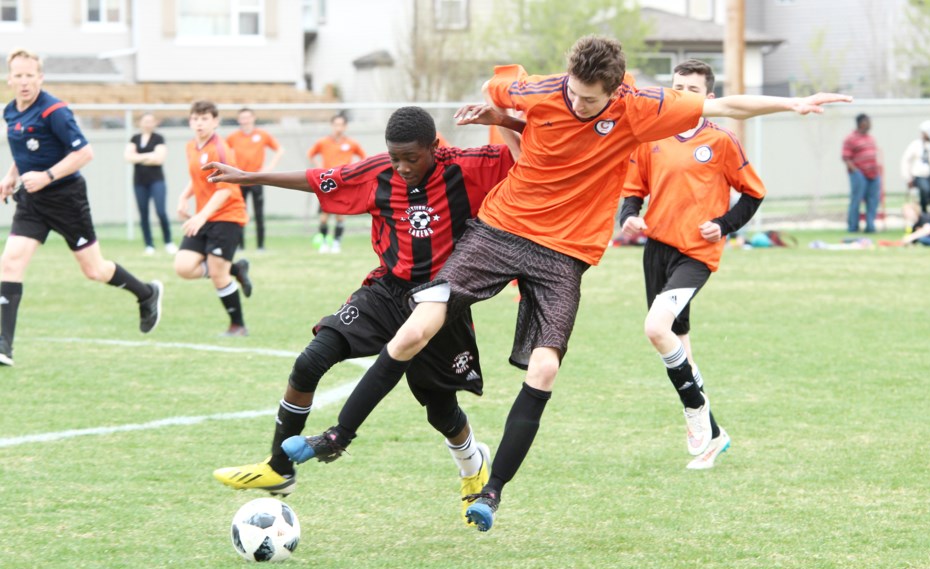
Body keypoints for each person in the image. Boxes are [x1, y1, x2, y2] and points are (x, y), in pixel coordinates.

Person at [285, 35, 851, 532]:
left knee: (546, 368)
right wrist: (498, 112)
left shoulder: (642, 107)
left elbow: (724, 102)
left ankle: (492, 491)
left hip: (564, 254)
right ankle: (338, 436)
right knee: (418, 323)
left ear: (615, 89)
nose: (577, 104)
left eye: (589, 99)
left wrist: (794, 102)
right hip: (501, 229)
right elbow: (501, 87)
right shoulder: (542, 91)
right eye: (574, 93)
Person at [206, 106, 521, 525]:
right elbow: (318, 181)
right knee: (311, 360)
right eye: (395, 158)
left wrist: (507, 114)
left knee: (440, 409)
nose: (403, 167)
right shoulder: (378, 174)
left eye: (412, 158)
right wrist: (249, 177)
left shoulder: (471, 166)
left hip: (442, 301)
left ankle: (471, 465)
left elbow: (531, 155)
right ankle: (279, 468)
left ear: (434, 146)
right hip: (387, 290)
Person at [618, 60, 766, 470]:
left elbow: (753, 194)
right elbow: (634, 190)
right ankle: (715, 434)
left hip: (695, 256)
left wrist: (723, 225)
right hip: (657, 251)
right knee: (678, 344)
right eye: (678, 87)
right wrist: (628, 215)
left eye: (693, 89)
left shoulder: (721, 140)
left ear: (710, 98)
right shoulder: (652, 136)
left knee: (655, 328)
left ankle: (695, 412)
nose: (683, 95)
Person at [0, 48, 162, 367]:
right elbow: (23, 153)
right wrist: (9, 178)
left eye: (29, 75)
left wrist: (46, 176)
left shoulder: (55, 111)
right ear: (9, 78)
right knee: (9, 263)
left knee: (94, 270)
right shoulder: (10, 111)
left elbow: (85, 153)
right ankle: (4, 344)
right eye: (17, 75)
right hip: (32, 201)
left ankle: (146, 293)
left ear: (40, 77)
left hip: (66, 199)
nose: (23, 81)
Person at [175, 100, 253, 337]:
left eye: (205, 119)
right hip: (205, 215)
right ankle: (236, 268)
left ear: (215, 122)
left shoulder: (220, 149)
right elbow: (198, 176)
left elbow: (226, 189)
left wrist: (201, 216)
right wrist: (184, 197)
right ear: (190, 121)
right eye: (195, 119)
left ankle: (238, 326)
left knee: (218, 274)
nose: (199, 123)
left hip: (228, 216)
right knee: (183, 267)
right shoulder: (191, 146)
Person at [226, 107, 284, 251]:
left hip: (257, 178)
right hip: (240, 179)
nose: (245, 120)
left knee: (259, 213)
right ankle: (240, 246)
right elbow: (223, 154)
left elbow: (280, 150)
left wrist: (269, 168)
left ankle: (260, 246)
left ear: (253, 118)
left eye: (247, 117)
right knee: (239, 213)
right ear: (239, 120)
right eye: (242, 118)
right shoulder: (233, 137)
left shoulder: (262, 135)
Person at [307, 113, 365, 253]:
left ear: (345, 127)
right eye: (336, 124)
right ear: (332, 126)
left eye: (341, 125)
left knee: (340, 214)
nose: (338, 127)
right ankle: (324, 242)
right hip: (327, 182)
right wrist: (320, 168)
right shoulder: (323, 142)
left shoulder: (351, 143)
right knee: (324, 215)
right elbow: (311, 154)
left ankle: (337, 243)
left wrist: (353, 171)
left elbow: (364, 158)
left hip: (343, 183)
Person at [124, 112, 175, 256]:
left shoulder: (159, 138)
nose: (147, 124)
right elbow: (128, 157)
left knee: (161, 212)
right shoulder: (134, 138)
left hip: (157, 181)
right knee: (143, 213)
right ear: (140, 123)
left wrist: (138, 157)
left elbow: (159, 159)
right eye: (145, 121)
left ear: (154, 123)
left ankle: (168, 242)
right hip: (139, 182)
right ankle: (149, 244)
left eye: (150, 121)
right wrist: (149, 156)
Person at [842, 113, 880, 233]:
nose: (870, 124)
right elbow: (846, 157)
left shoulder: (870, 138)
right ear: (861, 123)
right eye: (867, 121)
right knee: (856, 200)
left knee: (873, 201)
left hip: (873, 175)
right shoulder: (850, 138)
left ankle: (870, 226)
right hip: (859, 174)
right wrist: (856, 171)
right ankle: (853, 226)